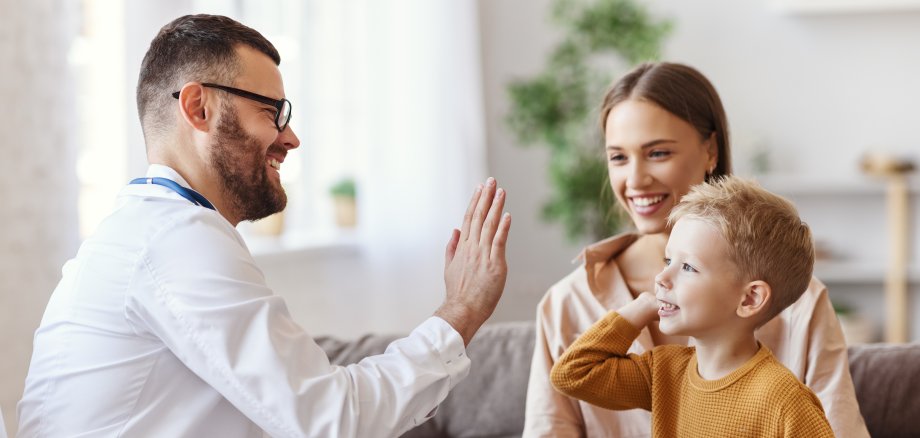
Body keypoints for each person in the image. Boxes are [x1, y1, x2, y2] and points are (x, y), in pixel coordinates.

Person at [17, 14, 512, 438]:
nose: (290, 137)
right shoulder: (175, 237)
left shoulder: (149, 228)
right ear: (198, 107)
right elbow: (331, 419)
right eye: (271, 112)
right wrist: (463, 309)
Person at [523, 62, 868, 437]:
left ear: (711, 151)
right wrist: (637, 310)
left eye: (658, 153)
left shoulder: (801, 302)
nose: (635, 179)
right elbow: (568, 386)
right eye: (618, 157)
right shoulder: (566, 304)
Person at [551, 176, 834, 437]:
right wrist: (636, 311)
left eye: (687, 266)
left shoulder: (785, 401)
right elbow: (572, 374)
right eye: (667, 261)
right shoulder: (664, 372)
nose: (661, 278)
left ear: (749, 299)